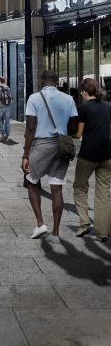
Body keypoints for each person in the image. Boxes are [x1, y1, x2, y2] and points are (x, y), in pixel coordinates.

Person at [23, 69, 79, 240]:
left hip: (41, 145)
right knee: (57, 188)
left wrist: (25, 154)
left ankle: (40, 224)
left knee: (31, 181)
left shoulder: (34, 98)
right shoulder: (69, 99)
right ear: (56, 82)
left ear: (42, 81)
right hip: (61, 146)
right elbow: (74, 127)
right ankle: (55, 232)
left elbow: (31, 127)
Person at [72, 78, 111, 242]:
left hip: (88, 155)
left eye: (82, 91)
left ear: (85, 92)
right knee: (104, 193)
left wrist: (70, 134)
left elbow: (78, 134)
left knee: (80, 187)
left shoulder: (84, 108)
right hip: (107, 155)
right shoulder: (108, 108)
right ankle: (102, 233)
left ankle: (84, 224)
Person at [0, 76, 13, 141]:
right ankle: (7, 134)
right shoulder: (7, 87)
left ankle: (3, 133)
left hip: (1, 106)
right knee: (7, 120)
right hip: (8, 106)